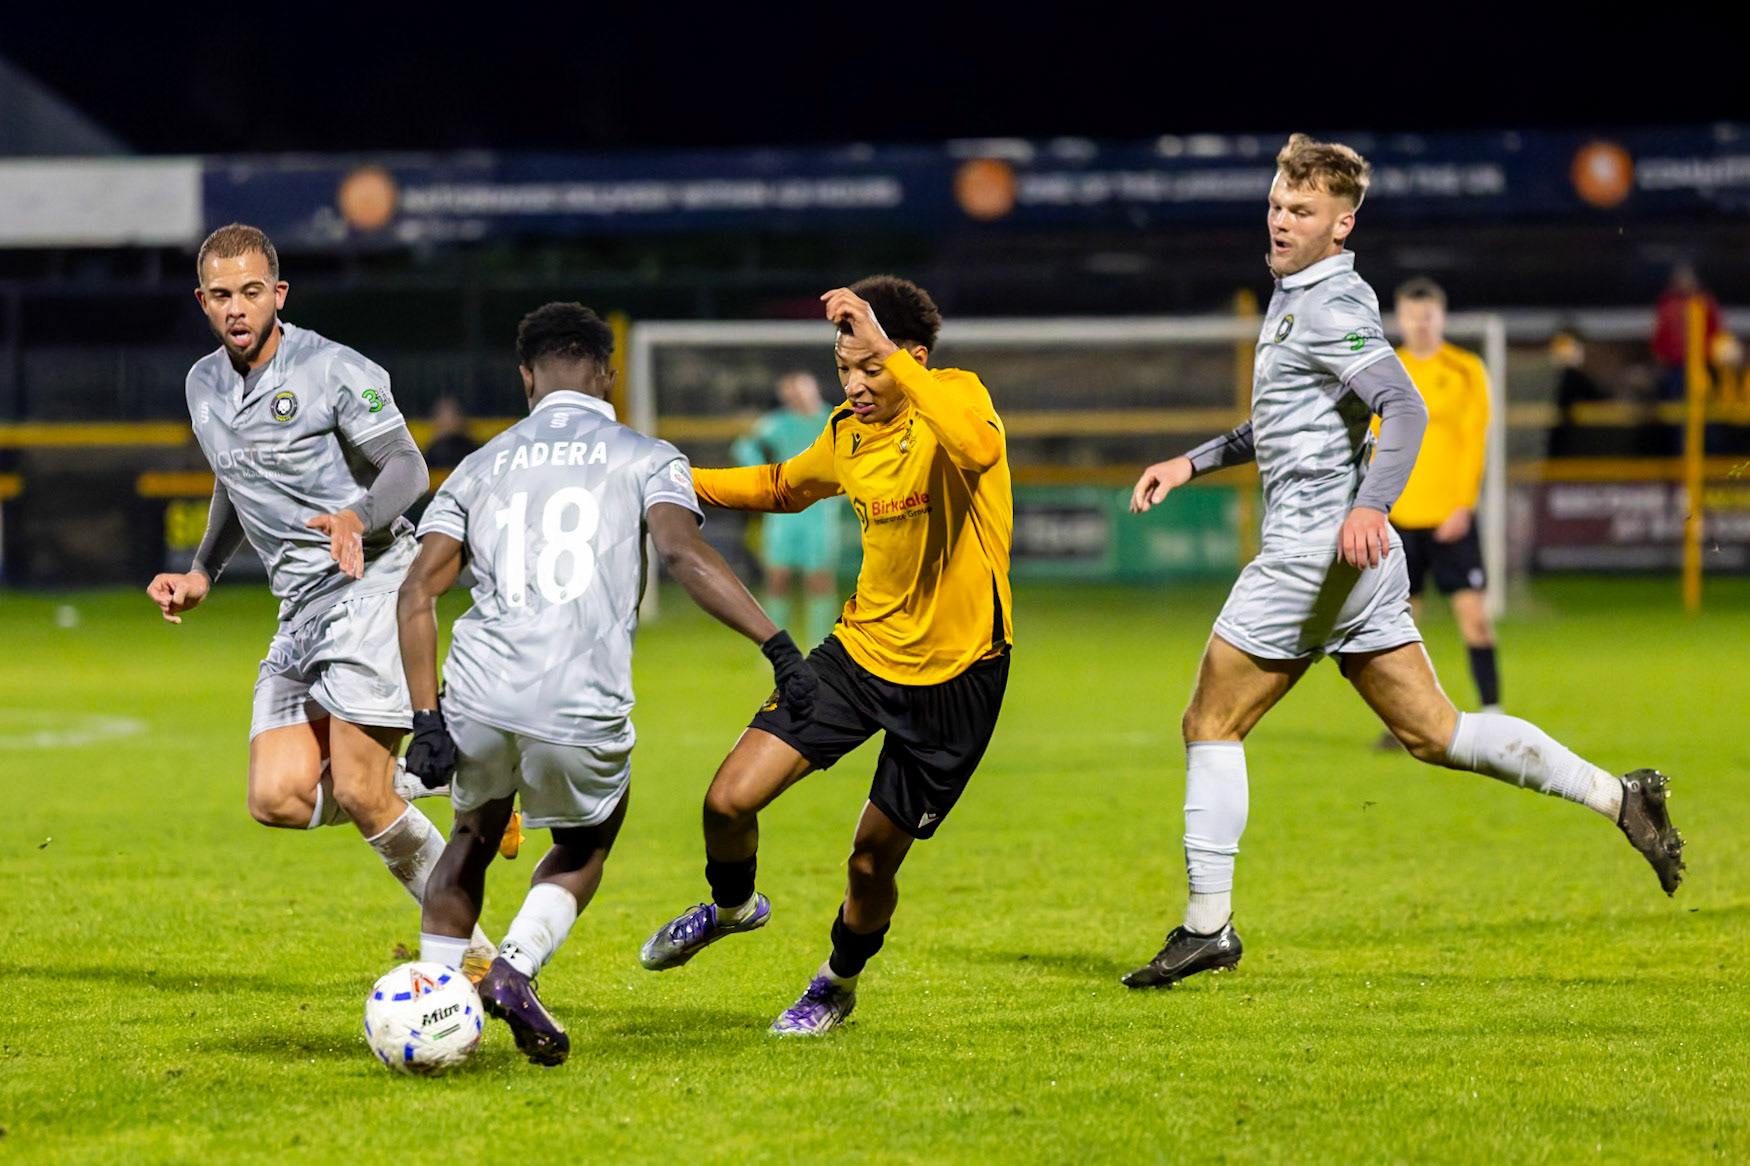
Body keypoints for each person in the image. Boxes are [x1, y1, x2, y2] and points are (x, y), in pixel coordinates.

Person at [1122, 136, 1685, 990]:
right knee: (1437, 732)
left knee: (1210, 723)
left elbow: (1404, 406)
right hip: (1354, 568)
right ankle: (1620, 795)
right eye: (1276, 203)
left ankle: (1208, 926)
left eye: (1300, 211)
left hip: (1313, 557)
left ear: (1341, 225)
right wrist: (1190, 462)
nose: (1280, 220)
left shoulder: (1328, 303)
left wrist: (1367, 506)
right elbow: (1277, 426)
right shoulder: (1296, 296)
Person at [397, 302, 815, 1065]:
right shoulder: (645, 455)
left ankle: (429, 1005)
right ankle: (515, 969)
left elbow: (417, 591)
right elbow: (686, 558)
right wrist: (778, 646)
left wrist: (426, 719)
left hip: (479, 692)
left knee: (472, 836)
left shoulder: (478, 466)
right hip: (577, 697)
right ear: (607, 375)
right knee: (587, 839)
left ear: (526, 377)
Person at [637, 276, 1013, 1036]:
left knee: (872, 864)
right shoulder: (847, 433)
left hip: (956, 678)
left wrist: (891, 357)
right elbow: (782, 485)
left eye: (868, 367)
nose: (855, 384)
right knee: (727, 800)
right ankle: (733, 906)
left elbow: (977, 448)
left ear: (911, 357)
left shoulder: (956, 397)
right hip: (859, 656)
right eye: (845, 369)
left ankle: (835, 984)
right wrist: (673, 481)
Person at [145, 224, 495, 976]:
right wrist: (202, 569)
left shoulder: (333, 367)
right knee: (276, 798)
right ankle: (436, 775)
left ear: (278, 294)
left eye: (250, 291)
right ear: (201, 302)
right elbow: (235, 481)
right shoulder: (202, 384)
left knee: (365, 794)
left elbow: (407, 466)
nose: (236, 308)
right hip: (298, 607)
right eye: (220, 295)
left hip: (372, 584)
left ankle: (477, 962)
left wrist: (354, 516)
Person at [1369, 278, 1501, 744]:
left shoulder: (1465, 369)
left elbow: (1474, 442)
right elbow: (1374, 443)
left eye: (1428, 315)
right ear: (1400, 318)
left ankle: (1493, 714)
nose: (1420, 323)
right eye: (1411, 314)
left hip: (1451, 517)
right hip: (1399, 518)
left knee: (1475, 619)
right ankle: (1402, 723)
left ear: (1440, 318)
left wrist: (1464, 504)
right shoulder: (1387, 370)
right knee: (1399, 628)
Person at [731, 372, 841, 646]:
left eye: (799, 391)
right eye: (788, 394)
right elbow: (744, 447)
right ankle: (775, 647)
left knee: (820, 579)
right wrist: (765, 478)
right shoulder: (777, 423)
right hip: (783, 511)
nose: (794, 398)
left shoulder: (833, 420)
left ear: (812, 388)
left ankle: (821, 647)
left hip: (820, 511)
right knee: (778, 577)